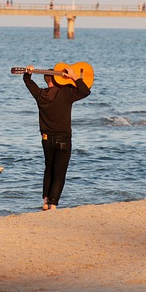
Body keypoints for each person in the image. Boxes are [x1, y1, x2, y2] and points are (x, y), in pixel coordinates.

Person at [23, 65, 90, 210]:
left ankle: (45, 202)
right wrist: (74, 76)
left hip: (46, 139)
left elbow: (29, 83)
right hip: (63, 139)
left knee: (49, 168)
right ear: (58, 78)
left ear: (46, 80)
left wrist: (28, 74)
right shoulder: (66, 93)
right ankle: (53, 204)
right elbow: (85, 91)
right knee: (59, 172)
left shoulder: (40, 95)